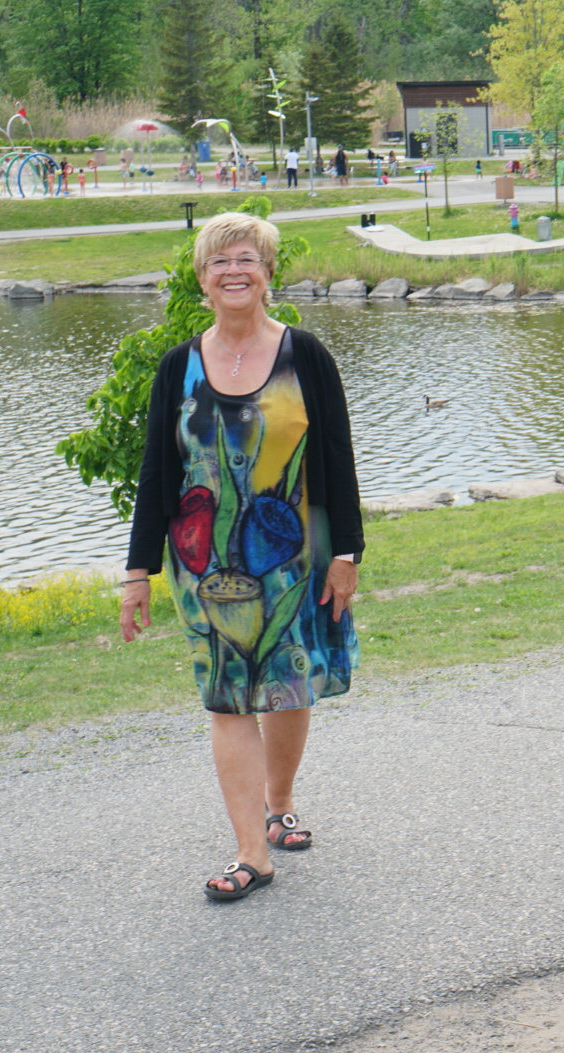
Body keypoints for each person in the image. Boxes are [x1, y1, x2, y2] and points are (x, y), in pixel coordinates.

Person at [121, 211, 363, 901]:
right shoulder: (179, 367)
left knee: (288, 682)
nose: (235, 270)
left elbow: (338, 460)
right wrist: (137, 571)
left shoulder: (305, 355)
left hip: (295, 559)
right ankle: (251, 854)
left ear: (268, 275)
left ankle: (278, 801)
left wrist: (346, 552)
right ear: (202, 279)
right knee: (229, 700)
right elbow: (156, 475)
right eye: (221, 260)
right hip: (202, 565)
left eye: (249, 259)